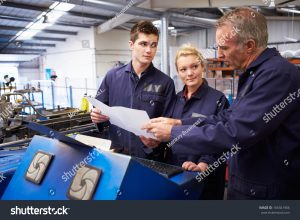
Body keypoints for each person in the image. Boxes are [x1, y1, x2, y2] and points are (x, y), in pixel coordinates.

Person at [143, 7, 300, 199]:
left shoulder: (276, 75)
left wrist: (173, 133)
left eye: (224, 47)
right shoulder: (254, 74)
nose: (220, 54)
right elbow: (227, 118)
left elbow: (236, 131)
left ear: (249, 45)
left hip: (268, 194)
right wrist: (180, 123)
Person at [91, 20, 176, 160]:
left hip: (150, 157)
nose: (149, 50)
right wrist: (96, 117)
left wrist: (158, 142)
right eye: (143, 44)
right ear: (131, 45)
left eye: (153, 45)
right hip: (116, 154)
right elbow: (99, 109)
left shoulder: (165, 83)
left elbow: (170, 124)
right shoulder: (112, 76)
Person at [168, 44, 229, 199]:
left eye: (194, 66)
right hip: (176, 176)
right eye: (183, 69)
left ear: (202, 66)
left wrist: (204, 164)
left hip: (206, 179)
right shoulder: (175, 100)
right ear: (178, 72)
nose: (189, 73)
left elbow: (223, 139)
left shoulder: (217, 99)